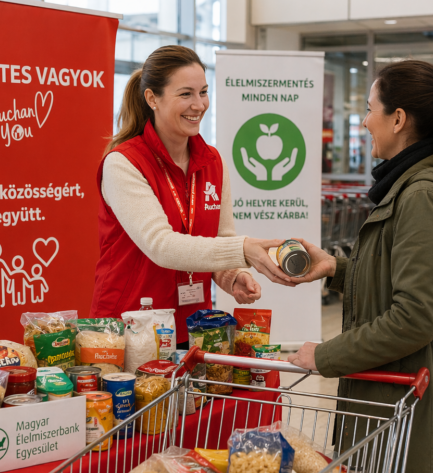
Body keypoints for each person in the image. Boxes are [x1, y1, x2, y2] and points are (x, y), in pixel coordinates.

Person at [287, 60, 433, 473]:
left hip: (423, 415)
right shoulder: (416, 185)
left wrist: (324, 355)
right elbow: (405, 281)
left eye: (370, 109)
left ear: (399, 119)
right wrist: (336, 268)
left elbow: (415, 317)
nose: (365, 121)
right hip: (414, 404)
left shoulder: (424, 195)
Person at [91, 45, 292, 347]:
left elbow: (221, 239)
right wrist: (244, 249)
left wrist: (231, 276)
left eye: (203, 92)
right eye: (185, 94)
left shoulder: (212, 161)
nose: (199, 104)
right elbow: (160, 245)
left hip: (193, 326)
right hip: (129, 329)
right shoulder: (123, 163)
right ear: (152, 98)